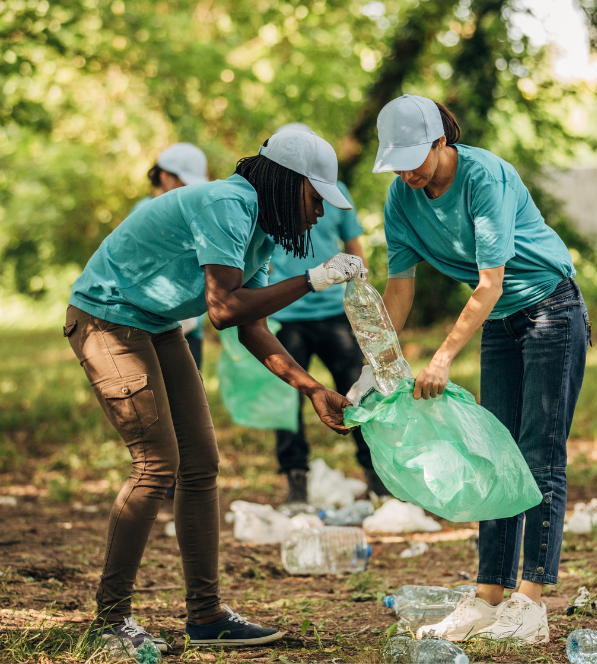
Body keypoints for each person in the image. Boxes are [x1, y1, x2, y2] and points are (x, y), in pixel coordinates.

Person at [64, 130, 363, 654]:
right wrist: (313, 279)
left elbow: (252, 327)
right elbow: (223, 310)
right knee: (156, 464)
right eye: (315, 198)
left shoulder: (262, 229)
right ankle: (109, 621)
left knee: (200, 462)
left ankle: (205, 616)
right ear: (287, 183)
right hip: (106, 316)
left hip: (156, 323)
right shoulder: (229, 203)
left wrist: (313, 389)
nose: (319, 214)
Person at [373, 95, 589, 644]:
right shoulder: (401, 198)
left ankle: (531, 603)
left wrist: (442, 356)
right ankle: (489, 597)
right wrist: (375, 363)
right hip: (500, 321)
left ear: (440, 141)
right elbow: (399, 287)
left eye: (414, 159)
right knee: (494, 454)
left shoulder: (483, 176)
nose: (406, 173)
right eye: (396, 164)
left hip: (550, 308)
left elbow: (490, 282)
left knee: (540, 455)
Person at [265, 122, 388, 504]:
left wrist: (361, 290)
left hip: (335, 312)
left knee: (359, 392)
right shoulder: (273, 199)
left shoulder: (337, 191)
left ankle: (377, 478)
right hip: (287, 316)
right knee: (286, 400)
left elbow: (353, 244)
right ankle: (296, 480)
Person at [134, 142, 211, 368]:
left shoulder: (191, 212)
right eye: (185, 183)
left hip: (189, 329)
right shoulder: (144, 212)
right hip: (151, 330)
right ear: (165, 177)